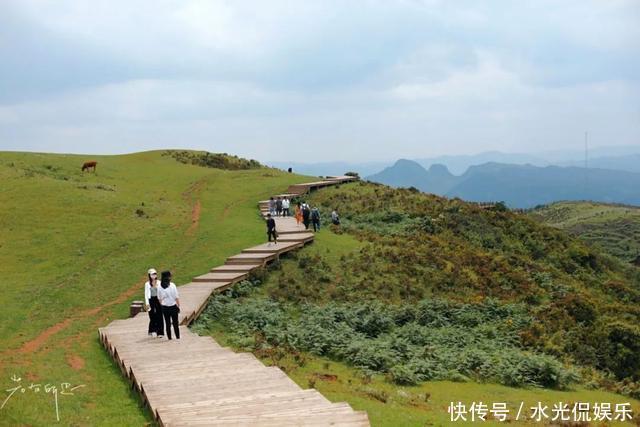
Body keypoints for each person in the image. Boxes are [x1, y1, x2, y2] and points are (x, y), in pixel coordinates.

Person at [158, 271, 180, 340]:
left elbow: (159, 298)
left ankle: (169, 338)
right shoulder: (172, 285)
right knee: (175, 323)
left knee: (167, 323)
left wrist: (162, 305)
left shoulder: (159, 287)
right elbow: (176, 296)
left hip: (165, 307)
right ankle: (177, 337)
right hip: (173, 306)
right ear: (168, 277)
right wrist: (178, 305)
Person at [144, 268, 164, 338]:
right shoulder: (147, 284)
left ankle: (160, 332)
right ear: (149, 275)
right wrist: (147, 304)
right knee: (152, 315)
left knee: (160, 315)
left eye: (155, 274)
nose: (154, 275)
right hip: (151, 300)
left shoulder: (159, 282)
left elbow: (161, 292)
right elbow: (146, 295)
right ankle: (152, 330)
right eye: (152, 274)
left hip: (158, 299)